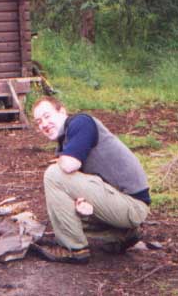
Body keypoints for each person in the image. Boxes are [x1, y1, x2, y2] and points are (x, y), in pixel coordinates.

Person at [31, 96, 150, 264]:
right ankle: (122, 234)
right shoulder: (65, 141)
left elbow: (69, 165)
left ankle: (73, 249)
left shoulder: (81, 123)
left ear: (62, 111)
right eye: (38, 121)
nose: (43, 124)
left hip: (132, 204)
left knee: (53, 174)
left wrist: (60, 161)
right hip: (118, 202)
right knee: (64, 214)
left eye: (47, 116)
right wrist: (81, 201)